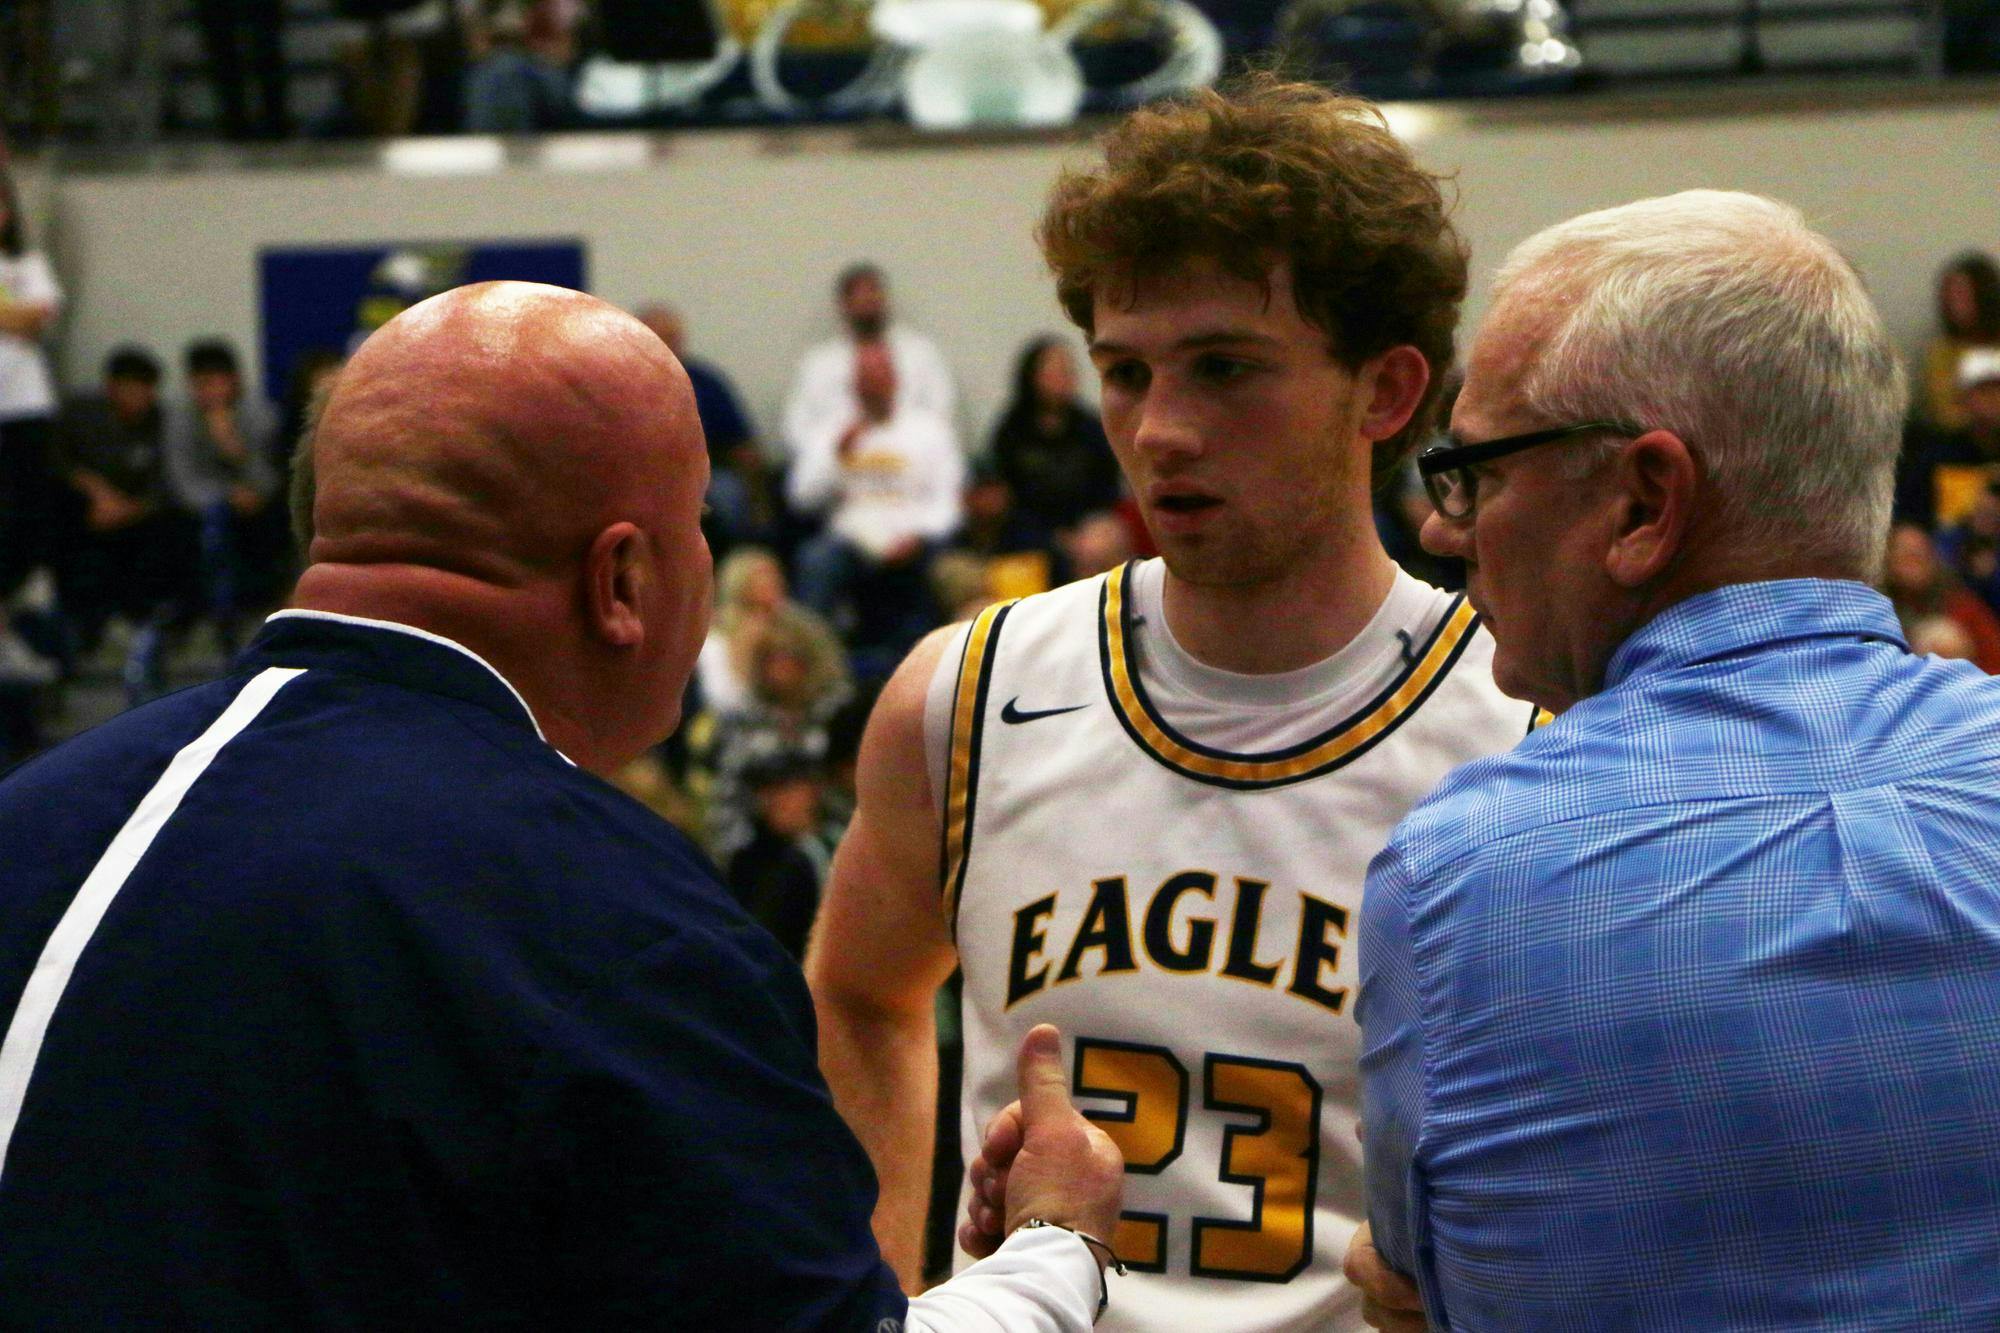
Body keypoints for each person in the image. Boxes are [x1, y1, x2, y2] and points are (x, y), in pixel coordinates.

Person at [0, 281, 1128, 1328]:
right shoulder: (604, 919)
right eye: (698, 526)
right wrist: (1052, 1241)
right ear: (623, 581)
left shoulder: (37, 810)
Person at [808, 75, 1543, 1331]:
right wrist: (894, 1295)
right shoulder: (964, 696)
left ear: (1385, 390)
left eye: (1222, 368)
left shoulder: (1525, 723)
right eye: (1124, 371)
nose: (1159, 429)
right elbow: (861, 994)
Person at [1354, 190, 2000, 1331]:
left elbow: (1428, 1293)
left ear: (1644, 504)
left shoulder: (1461, 878)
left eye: (1475, 472)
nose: (1441, 530)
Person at [788, 341, 964, 671]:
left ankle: (925, 668)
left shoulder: (928, 431)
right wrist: (836, 456)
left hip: (912, 539)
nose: (872, 387)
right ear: (854, 385)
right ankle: (818, 667)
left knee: (941, 569)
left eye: (879, 377)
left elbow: (948, 503)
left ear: (895, 380)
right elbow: (801, 498)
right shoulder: (832, 433)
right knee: (815, 560)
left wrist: (918, 536)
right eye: (864, 380)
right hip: (850, 541)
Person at [56, 346, 202, 699]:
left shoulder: (160, 421)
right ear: (111, 388)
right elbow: (58, 462)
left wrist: (129, 508)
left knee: (172, 533)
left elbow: (166, 481)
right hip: (85, 514)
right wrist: (96, 493)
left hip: (140, 517)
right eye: (131, 388)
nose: (140, 398)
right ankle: (88, 630)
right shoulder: (81, 414)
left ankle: (150, 624)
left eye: (146, 389)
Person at [164, 338, 284, 647]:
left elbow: (270, 481)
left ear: (233, 380)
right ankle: (202, 615)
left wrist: (233, 447)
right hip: (205, 511)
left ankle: (251, 610)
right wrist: (226, 496)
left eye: (213, 381)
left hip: (254, 510)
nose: (207, 391)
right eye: (199, 383)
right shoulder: (181, 417)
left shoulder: (260, 414)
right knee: (204, 524)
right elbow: (182, 480)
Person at [782, 262, 957, 463]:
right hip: (839, 469)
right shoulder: (817, 363)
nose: (867, 303)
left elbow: (942, 413)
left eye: (872, 296)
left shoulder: (920, 353)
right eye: (858, 298)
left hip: (910, 467)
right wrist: (831, 458)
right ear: (843, 305)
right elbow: (796, 426)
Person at [0, 167, 65, 688]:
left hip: (26, 405)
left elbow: (38, 317)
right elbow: (19, 318)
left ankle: (26, 594)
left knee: (30, 510)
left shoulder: (29, 264)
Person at [987, 336, 1122, 532]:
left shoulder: (1090, 427)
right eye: (1056, 371)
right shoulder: (1012, 430)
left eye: (1069, 371)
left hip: (1085, 528)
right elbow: (1003, 491)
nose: (1066, 378)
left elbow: (1107, 490)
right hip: (1026, 528)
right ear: (1033, 375)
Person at [1918, 249, 2000, 432]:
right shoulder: (1941, 351)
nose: (1954, 304)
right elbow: (1943, 412)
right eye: (1949, 296)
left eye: (1962, 295)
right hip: (1961, 443)